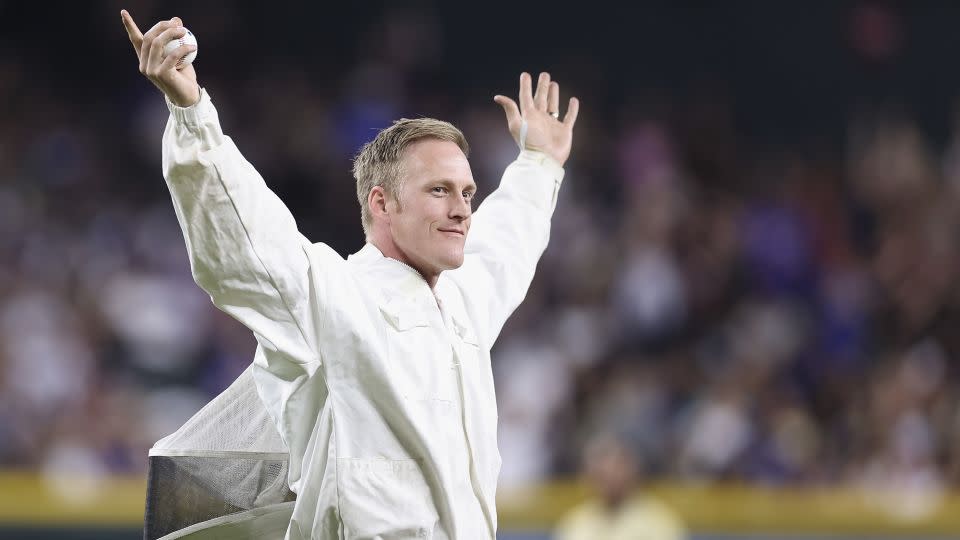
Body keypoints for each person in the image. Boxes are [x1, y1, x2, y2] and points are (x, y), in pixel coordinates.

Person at [120, 10, 579, 540]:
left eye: (467, 193)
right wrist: (191, 111)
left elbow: (507, 243)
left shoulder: (462, 298)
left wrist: (539, 163)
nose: (462, 209)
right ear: (382, 203)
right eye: (439, 190)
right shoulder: (335, 294)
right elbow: (245, 242)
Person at [554, 433, 687, 540]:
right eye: (600, 474)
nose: (607, 481)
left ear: (633, 471)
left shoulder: (659, 522)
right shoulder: (575, 522)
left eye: (615, 469)